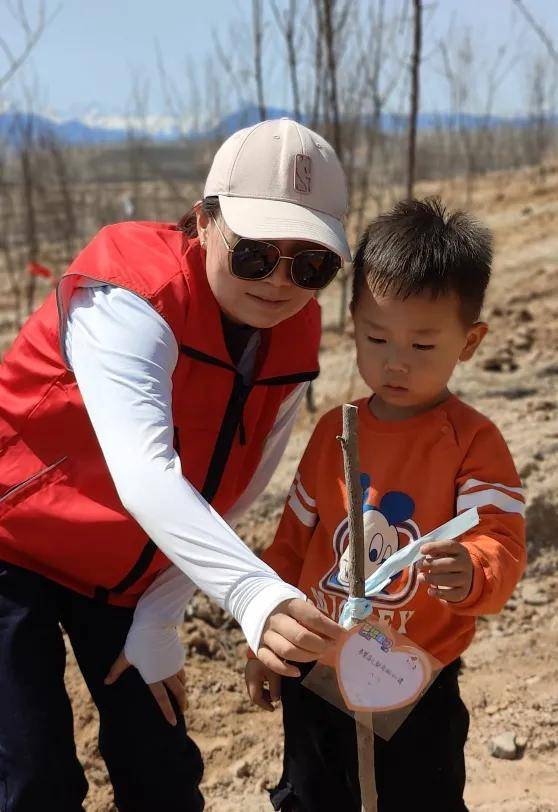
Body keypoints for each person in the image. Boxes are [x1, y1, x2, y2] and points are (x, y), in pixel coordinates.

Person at [0, 118, 350, 812]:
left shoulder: (293, 332)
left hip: (133, 568)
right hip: (14, 548)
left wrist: (161, 616)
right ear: (203, 220)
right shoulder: (127, 295)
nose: (281, 283)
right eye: (254, 254)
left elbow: (236, 486)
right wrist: (254, 595)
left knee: (160, 768)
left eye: (311, 264)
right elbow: (147, 473)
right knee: (33, 780)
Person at [245, 198, 527, 812]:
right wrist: (263, 629)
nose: (395, 361)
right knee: (311, 795)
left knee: (418, 799)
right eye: (377, 337)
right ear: (353, 325)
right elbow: (290, 544)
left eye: (423, 345)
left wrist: (472, 571)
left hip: (414, 682)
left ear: (470, 342)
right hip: (317, 668)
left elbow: (500, 539)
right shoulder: (331, 434)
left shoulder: (472, 443)